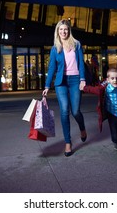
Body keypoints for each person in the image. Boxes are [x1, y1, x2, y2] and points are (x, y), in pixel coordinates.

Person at [42, 19, 87, 157]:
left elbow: (81, 64)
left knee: (75, 111)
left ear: (69, 30)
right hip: (61, 82)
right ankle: (68, 143)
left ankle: (82, 128)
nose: (63, 32)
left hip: (75, 81)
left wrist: (82, 79)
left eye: (65, 29)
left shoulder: (77, 45)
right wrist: (47, 85)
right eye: (60, 29)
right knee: (64, 110)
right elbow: (52, 68)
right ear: (57, 31)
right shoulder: (55, 48)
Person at [83, 68, 117, 151]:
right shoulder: (105, 88)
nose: (115, 80)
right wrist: (84, 88)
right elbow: (95, 89)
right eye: (112, 78)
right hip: (112, 113)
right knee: (114, 131)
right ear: (108, 80)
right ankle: (116, 142)